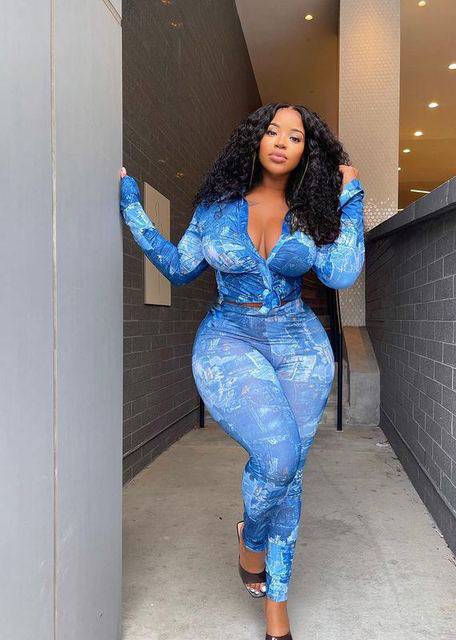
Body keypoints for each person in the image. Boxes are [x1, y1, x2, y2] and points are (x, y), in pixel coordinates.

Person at [119, 102, 365, 640]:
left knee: (291, 471)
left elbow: (342, 272)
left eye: (295, 137)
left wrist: (352, 197)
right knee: (277, 457)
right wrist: (133, 208)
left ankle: (277, 605)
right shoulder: (216, 208)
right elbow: (180, 269)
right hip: (229, 338)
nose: (281, 142)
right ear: (255, 139)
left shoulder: (313, 211)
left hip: (299, 345)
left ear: (308, 152)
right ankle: (251, 541)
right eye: (272, 131)